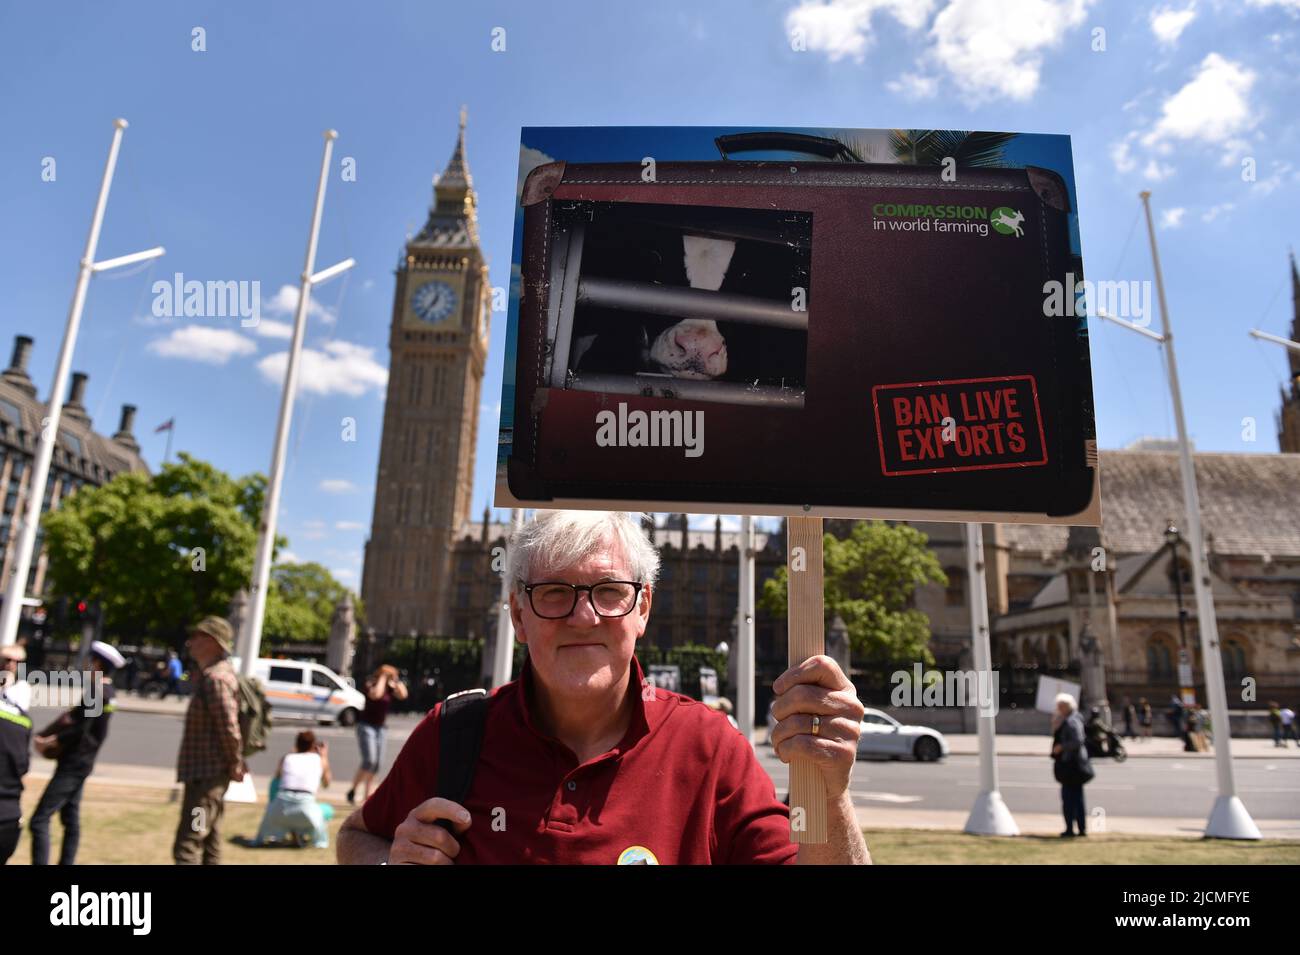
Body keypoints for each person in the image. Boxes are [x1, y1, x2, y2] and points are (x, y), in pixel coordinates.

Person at [337, 510, 871, 865]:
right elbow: (356, 836)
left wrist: (829, 792)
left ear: (643, 609)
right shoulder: (453, 734)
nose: (584, 617)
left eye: (609, 591)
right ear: (518, 617)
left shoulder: (711, 747)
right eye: (553, 593)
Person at [29, 640, 124, 865]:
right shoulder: (108, 691)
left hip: (74, 763)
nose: (85, 663)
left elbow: (82, 728)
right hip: (83, 762)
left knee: (39, 820)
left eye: (88, 660)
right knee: (70, 819)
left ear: (97, 664)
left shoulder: (97, 691)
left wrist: (51, 740)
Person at [172, 616, 244, 865]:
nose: (190, 643)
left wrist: (236, 762)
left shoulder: (216, 680)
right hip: (206, 775)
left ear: (213, 642)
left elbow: (228, 727)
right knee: (209, 843)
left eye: (197, 637)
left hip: (207, 778)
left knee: (188, 845)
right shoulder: (216, 676)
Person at [254, 731, 333, 849]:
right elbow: (326, 784)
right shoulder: (319, 760)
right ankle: (303, 835)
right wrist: (324, 757)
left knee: (282, 794)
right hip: (306, 811)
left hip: (279, 810)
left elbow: (275, 782)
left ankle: (293, 834)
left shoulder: (286, 758)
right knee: (327, 810)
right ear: (313, 745)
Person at [346, 664, 407, 805]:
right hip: (366, 726)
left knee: (377, 764)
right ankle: (353, 789)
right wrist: (383, 678)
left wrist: (396, 681)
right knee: (370, 761)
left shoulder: (390, 687)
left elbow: (403, 695)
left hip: (381, 728)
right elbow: (376, 695)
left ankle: (367, 796)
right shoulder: (371, 684)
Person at [0, 645, 32, 864]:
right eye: (7, 659)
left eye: (15, 661)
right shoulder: (22, 720)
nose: (10, 664)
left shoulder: (22, 690)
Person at [1051, 692, 1092, 838]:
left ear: (1066, 706)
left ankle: (1071, 828)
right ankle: (1080, 828)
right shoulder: (1071, 718)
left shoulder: (1071, 720)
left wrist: (1061, 747)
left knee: (1069, 798)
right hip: (1074, 765)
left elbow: (1077, 740)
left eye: (1060, 706)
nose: (1058, 709)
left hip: (1071, 765)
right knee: (1077, 798)